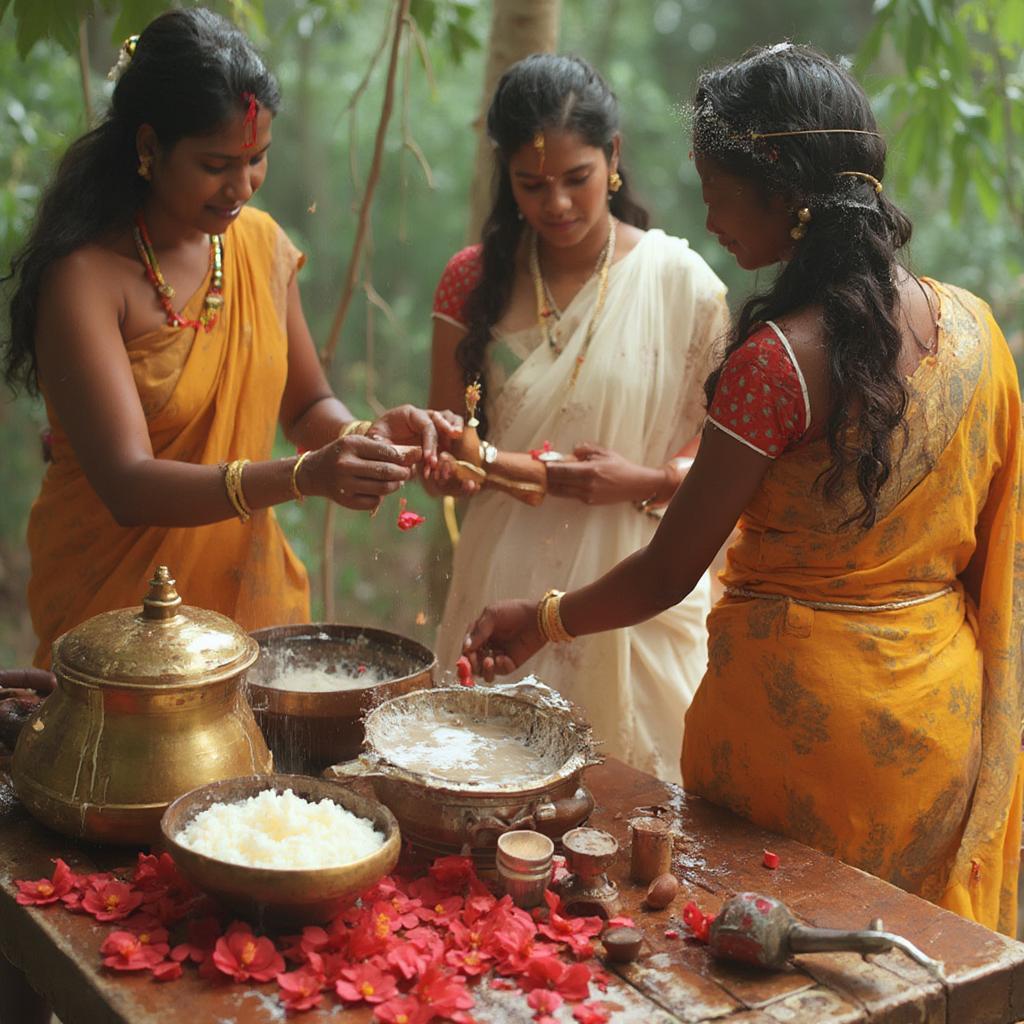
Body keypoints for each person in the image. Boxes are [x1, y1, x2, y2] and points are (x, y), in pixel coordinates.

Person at [462, 43, 1023, 935]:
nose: (710, 215)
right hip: (937, 716)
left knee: (775, 960)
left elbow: (667, 572)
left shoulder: (776, 363)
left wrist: (545, 617)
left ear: (785, 195)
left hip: (797, 737)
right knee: (904, 953)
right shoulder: (976, 328)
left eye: (718, 188)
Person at [2, 8, 459, 668]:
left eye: (257, 160)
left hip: (252, 615)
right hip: (117, 624)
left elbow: (304, 410)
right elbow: (128, 486)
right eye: (217, 163)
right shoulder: (85, 280)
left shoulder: (260, 245)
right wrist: (306, 476)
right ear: (149, 146)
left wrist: (366, 438)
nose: (241, 186)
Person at [428, 54, 729, 784]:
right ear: (505, 176)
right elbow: (455, 451)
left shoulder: (679, 283)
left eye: (576, 178)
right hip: (502, 574)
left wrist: (650, 478)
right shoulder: (472, 280)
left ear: (614, 157)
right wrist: (449, 460)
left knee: (640, 809)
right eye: (531, 185)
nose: (556, 203)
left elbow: (726, 452)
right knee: (489, 794)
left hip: (639, 582)